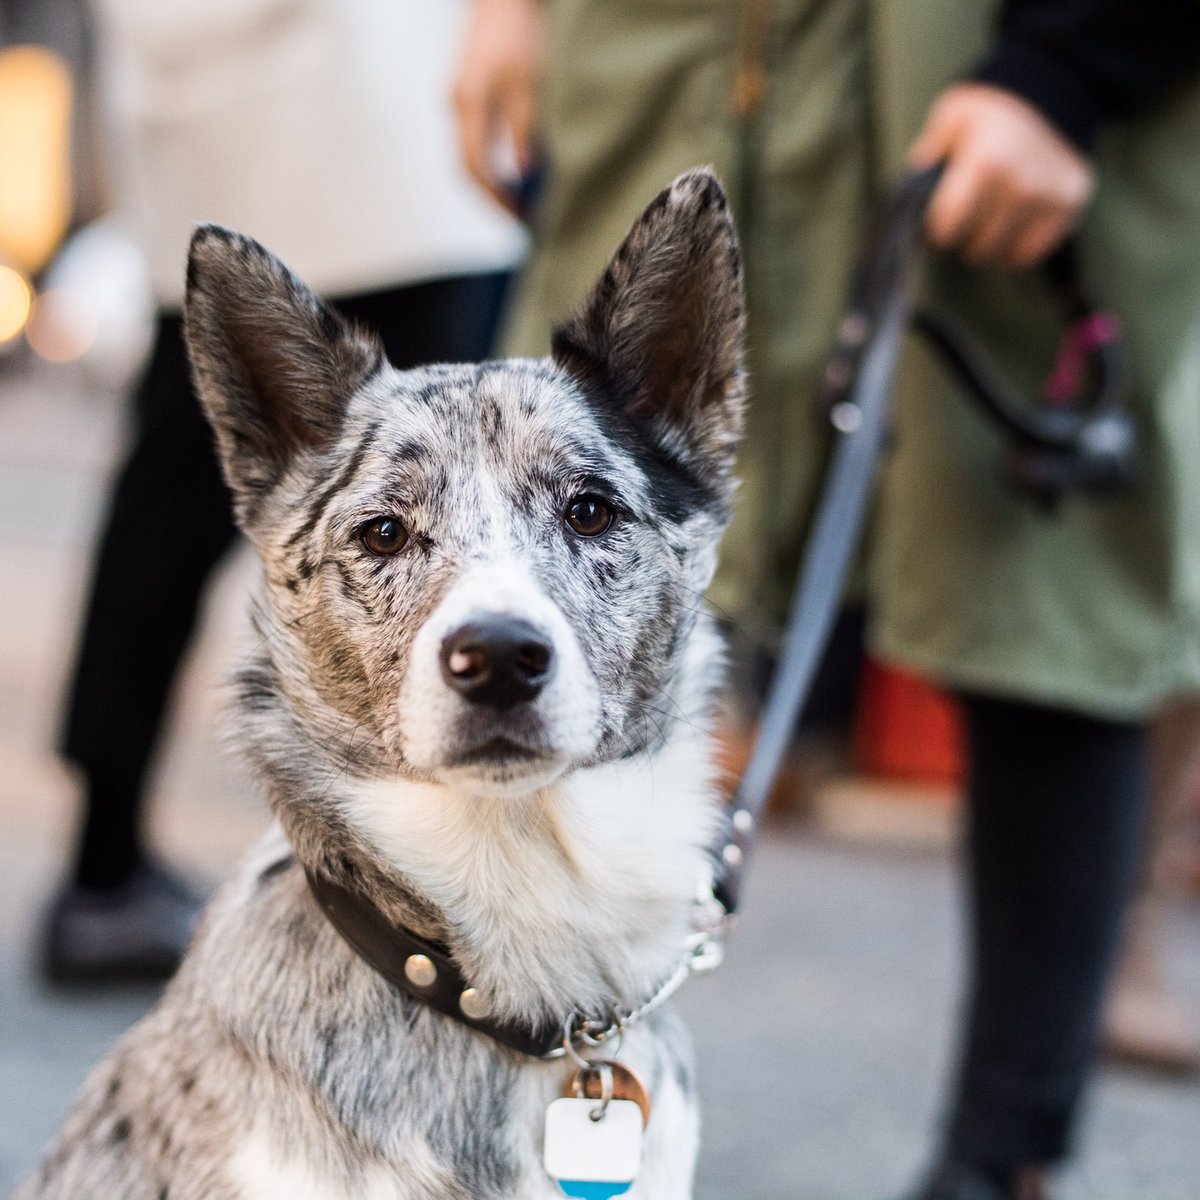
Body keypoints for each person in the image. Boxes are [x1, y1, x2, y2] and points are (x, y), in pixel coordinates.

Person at [453, 1, 1200, 1197]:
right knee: (563, 556)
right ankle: (491, 1130)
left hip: (985, 69)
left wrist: (1077, 59)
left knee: (1037, 582)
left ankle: (997, 1163)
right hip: (664, 54)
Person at [45, 0, 526, 983]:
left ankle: (103, 864)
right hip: (377, 113)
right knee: (442, 527)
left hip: (251, 96)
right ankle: (418, 896)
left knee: (174, 508)